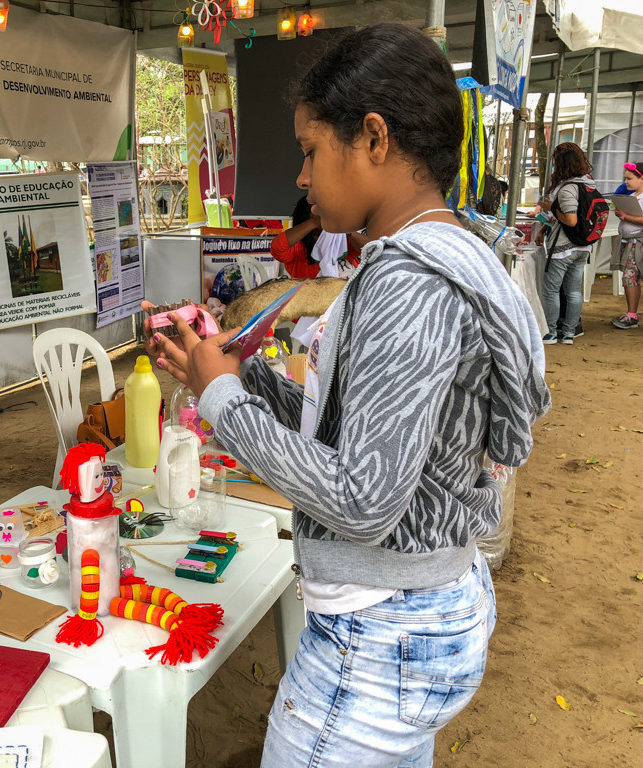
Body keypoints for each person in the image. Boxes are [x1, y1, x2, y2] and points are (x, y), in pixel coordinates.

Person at [145, 23, 549, 766]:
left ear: (373, 138)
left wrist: (225, 403)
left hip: (380, 635)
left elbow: (364, 499)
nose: (301, 178)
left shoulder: (408, 282)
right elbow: (357, 433)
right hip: (410, 613)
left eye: (308, 150)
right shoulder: (431, 256)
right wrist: (232, 374)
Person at [538, 143, 596, 345]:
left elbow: (569, 220)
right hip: (583, 246)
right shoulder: (589, 184)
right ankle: (570, 332)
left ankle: (551, 332)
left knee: (551, 290)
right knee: (573, 291)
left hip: (563, 247)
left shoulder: (566, 189)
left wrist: (551, 208)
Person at [611, 161, 643, 329]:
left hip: (638, 242)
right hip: (629, 241)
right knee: (632, 277)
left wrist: (624, 216)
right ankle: (632, 313)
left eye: (630, 178)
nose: (626, 182)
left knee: (629, 277)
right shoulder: (631, 197)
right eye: (625, 179)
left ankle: (632, 315)